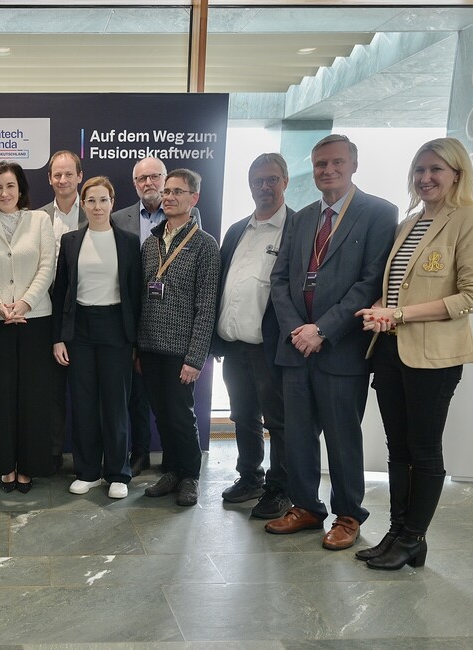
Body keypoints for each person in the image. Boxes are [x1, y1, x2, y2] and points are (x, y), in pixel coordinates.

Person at [354, 137, 473, 570]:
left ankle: (414, 537)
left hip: (434, 357)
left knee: (424, 449)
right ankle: (398, 531)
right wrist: (382, 308)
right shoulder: (411, 221)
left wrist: (400, 313)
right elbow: (397, 287)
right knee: (399, 448)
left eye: (436, 169)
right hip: (392, 351)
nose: (426, 178)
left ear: (457, 174)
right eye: (419, 170)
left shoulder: (470, 218)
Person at [266, 134, 397, 550]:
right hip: (295, 346)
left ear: (353, 164)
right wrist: (297, 330)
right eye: (321, 163)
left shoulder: (378, 213)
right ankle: (306, 507)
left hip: (341, 349)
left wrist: (321, 330)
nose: (328, 170)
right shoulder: (301, 217)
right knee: (298, 435)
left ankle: (347, 515)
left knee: (342, 437)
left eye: (337, 162)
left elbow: (369, 282)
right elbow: (281, 279)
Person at [212, 153, 292, 520]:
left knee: (279, 421)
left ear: (285, 182)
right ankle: (251, 477)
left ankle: (281, 489)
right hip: (235, 346)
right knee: (243, 416)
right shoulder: (237, 230)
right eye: (258, 180)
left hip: (271, 349)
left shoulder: (295, 228)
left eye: (272, 179)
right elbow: (222, 285)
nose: (264, 187)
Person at [0, 161, 56, 493]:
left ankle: (30, 465)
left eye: (10, 186)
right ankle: (4, 465)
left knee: (33, 396)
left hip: (35, 320)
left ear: (20, 188)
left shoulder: (40, 220)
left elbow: (47, 266)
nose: (4, 193)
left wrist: (24, 304)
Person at [52, 176, 141, 499]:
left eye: (103, 200)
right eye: (91, 200)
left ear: (112, 203)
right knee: (84, 402)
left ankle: (118, 473)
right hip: (80, 330)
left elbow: (136, 294)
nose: (97, 206)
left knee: (116, 404)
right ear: (84, 204)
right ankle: (88, 471)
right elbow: (61, 291)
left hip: (116, 328)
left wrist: (136, 341)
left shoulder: (129, 242)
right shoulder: (72, 240)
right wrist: (59, 338)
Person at [111, 157, 201, 476]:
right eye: (141, 178)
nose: (149, 183)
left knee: (177, 411)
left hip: (176, 332)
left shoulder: (193, 227)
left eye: (155, 177)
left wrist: (195, 352)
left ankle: (183, 472)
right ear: (134, 184)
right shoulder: (122, 221)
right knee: (142, 401)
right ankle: (143, 456)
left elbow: (201, 294)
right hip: (139, 326)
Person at [139, 168, 220, 507]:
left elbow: (207, 307)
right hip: (149, 346)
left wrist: (194, 357)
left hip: (180, 351)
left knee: (182, 415)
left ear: (194, 199)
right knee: (161, 412)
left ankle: (190, 476)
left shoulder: (205, 245)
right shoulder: (150, 242)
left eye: (177, 192)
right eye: (167, 191)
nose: (169, 197)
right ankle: (171, 470)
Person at [39, 150, 86, 471]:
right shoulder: (38, 217)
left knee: (86, 391)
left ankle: (87, 458)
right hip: (46, 312)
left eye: (69, 174)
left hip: (86, 314)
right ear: (49, 179)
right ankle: (52, 454)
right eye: (57, 174)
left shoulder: (98, 212)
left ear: (80, 176)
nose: (63, 180)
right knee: (50, 391)